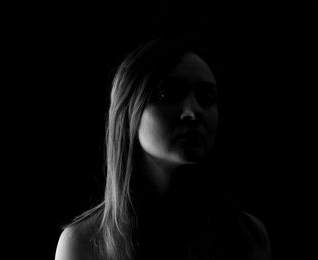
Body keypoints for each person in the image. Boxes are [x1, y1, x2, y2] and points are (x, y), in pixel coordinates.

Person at [55, 35, 272, 260]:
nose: (192, 111)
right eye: (168, 94)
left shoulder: (248, 237)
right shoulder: (84, 243)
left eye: (206, 97)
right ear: (129, 111)